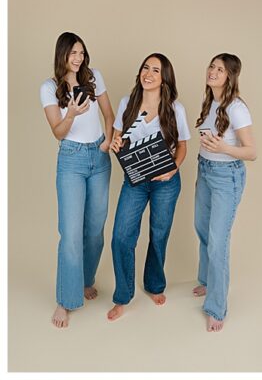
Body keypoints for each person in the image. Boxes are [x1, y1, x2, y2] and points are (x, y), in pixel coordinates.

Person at [40, 32, 114, 328]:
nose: (78, 58)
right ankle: (65, 299)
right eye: (73, 52)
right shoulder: (49, 88)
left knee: (95, 230)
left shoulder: (94, 77)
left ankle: (84, 280)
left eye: (82, 52)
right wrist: (70, 112)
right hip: (70, 158)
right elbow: (58, 132)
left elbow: (109, 115)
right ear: (62, 55)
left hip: (98, 157)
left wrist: (107, 142)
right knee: (70, 233)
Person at [107, 53, 189, 321]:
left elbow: (183, 146)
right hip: (135, 180)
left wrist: (173, 169)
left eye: (155, 70)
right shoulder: (126, 103)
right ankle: (122, 296)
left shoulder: (175, 108)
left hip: (166, 183)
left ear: (164, 78)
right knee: (121, 235)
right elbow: (118, 138)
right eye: (145, 67)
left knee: (159, 234)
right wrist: (115, 143)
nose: (148, 74)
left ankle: (154, 285)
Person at [193, 53, 256, 332]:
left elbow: (252, 151)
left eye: (219, 69)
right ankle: (207, 281)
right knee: (203, 230)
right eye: (211, 66)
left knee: (218, 241)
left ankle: (216, 307)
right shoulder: (211, 102)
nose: (212, 71)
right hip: (204, 169)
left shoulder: (237, 108)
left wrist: (223, 149)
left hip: (226, 176)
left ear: (230, 75)